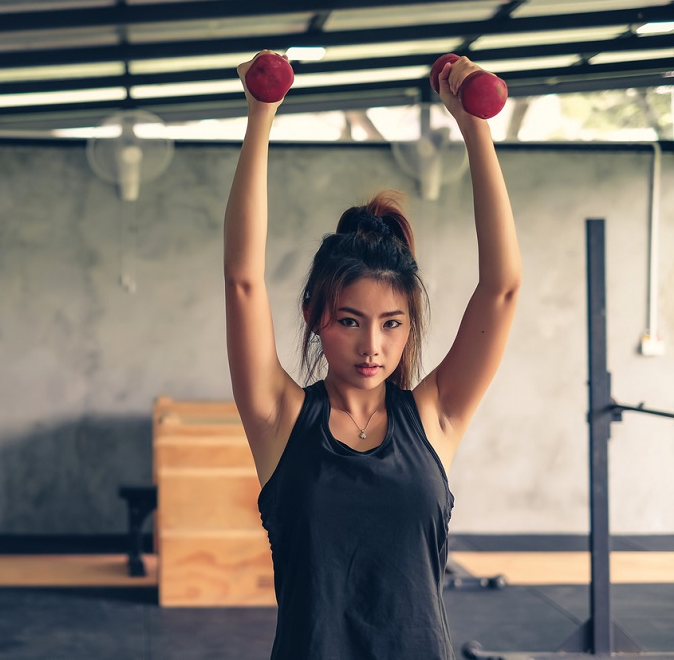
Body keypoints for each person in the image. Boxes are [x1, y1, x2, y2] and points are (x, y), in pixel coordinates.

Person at [223, 51, 522, 659]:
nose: (372, 346)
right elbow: (242, 282)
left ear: (409, 328)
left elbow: (502, 287)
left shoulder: (435, 418)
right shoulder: (279, 419)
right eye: (350, 321)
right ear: (314, 317)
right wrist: (260, 115)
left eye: (392, 324)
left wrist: (474, 127)